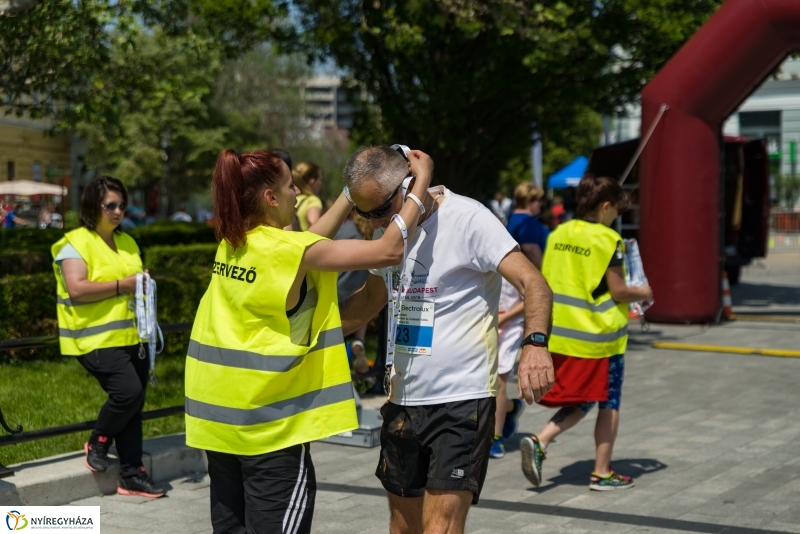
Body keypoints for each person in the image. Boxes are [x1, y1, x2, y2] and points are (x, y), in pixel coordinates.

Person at [184, 148, 433, 534]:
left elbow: (306, 244)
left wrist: (350, 194)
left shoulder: (236, 242)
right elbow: (389, 250)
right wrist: (420, 186)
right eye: (288, 185)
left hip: (219, 425)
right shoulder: (285, 251)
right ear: (270, 197)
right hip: (269, 430)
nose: (297, 192)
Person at [338, 146, 555, 534]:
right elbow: (371, 299)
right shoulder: (391, 232)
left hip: (461, 399)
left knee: (440, 528)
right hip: (403, 398)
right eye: (365, 213)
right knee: (403, 528)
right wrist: (302, 335)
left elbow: (533, 281)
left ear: (408, 186)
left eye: (378, 211)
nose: (372, 221)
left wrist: (535, 344)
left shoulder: (468, 217)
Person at [520, 174, 653, 491]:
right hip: (599, 338)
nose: (616, 220)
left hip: (561, 334)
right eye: (615, 213)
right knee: (609, 401)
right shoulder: (609, 241)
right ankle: (602, 472)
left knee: (586, 398)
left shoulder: (558, 233)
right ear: (606, 206)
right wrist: (643, 291)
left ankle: (542, 441)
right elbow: (619, 291)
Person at [50, 177, 165, 498]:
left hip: (132, 336)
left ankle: (132, 474)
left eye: (121, 205)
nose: (117, 211)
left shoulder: (127, 241)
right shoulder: (74, 242)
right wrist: (124, 285)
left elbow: (134, 282)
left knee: (135, 403)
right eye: (109, 206)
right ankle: (99, 439)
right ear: (92, 207)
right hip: (93, 338)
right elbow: (76, 289)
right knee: (127, 393)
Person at [489, 277, 526, 459]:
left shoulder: (516, 258)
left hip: (509, 327)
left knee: (499, 382)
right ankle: (511, 407)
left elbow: (530, 299)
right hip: (483, 325)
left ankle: (496, 438)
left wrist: (504, 318)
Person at [333, 211, 372, 374]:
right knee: (364, 307)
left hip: (338, 289)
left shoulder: (345, 230)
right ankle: (359, 340)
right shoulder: (371, 233)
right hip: (359, 290)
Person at [507, 183, 549, 269]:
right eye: (538, 200)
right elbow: (531, 249)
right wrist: (544, 272)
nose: (541, 203)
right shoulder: (527, 221)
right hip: (535, 269)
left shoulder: (514, 217)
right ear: (528, 202)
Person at [292, 161, 324, 231]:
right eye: (320, 179)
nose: (320, 183)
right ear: (312, 182)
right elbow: (313, 223)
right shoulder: (313, 200)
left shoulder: (292, 198)